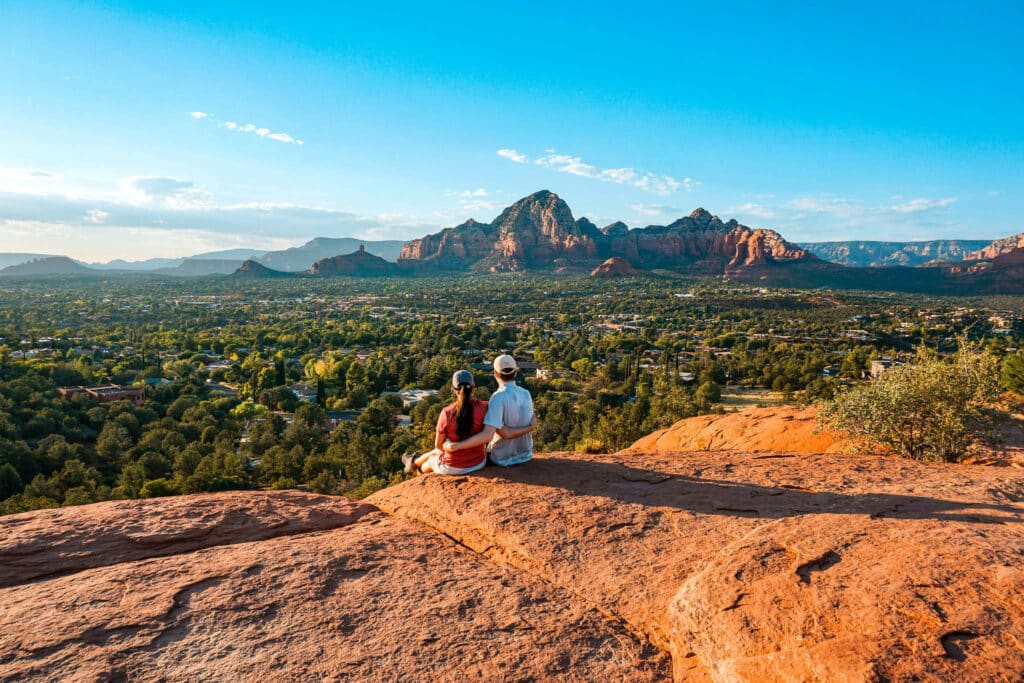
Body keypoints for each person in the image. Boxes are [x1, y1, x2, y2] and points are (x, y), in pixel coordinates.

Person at [444, 354, 535, 467]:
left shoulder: (497, 397)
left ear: (495, 374)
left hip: (501, 458)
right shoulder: (526, 394)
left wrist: (456, 446)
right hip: (525, 455)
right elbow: (526, 423)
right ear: (515, 372)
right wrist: (530, 428)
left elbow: (505, 434)